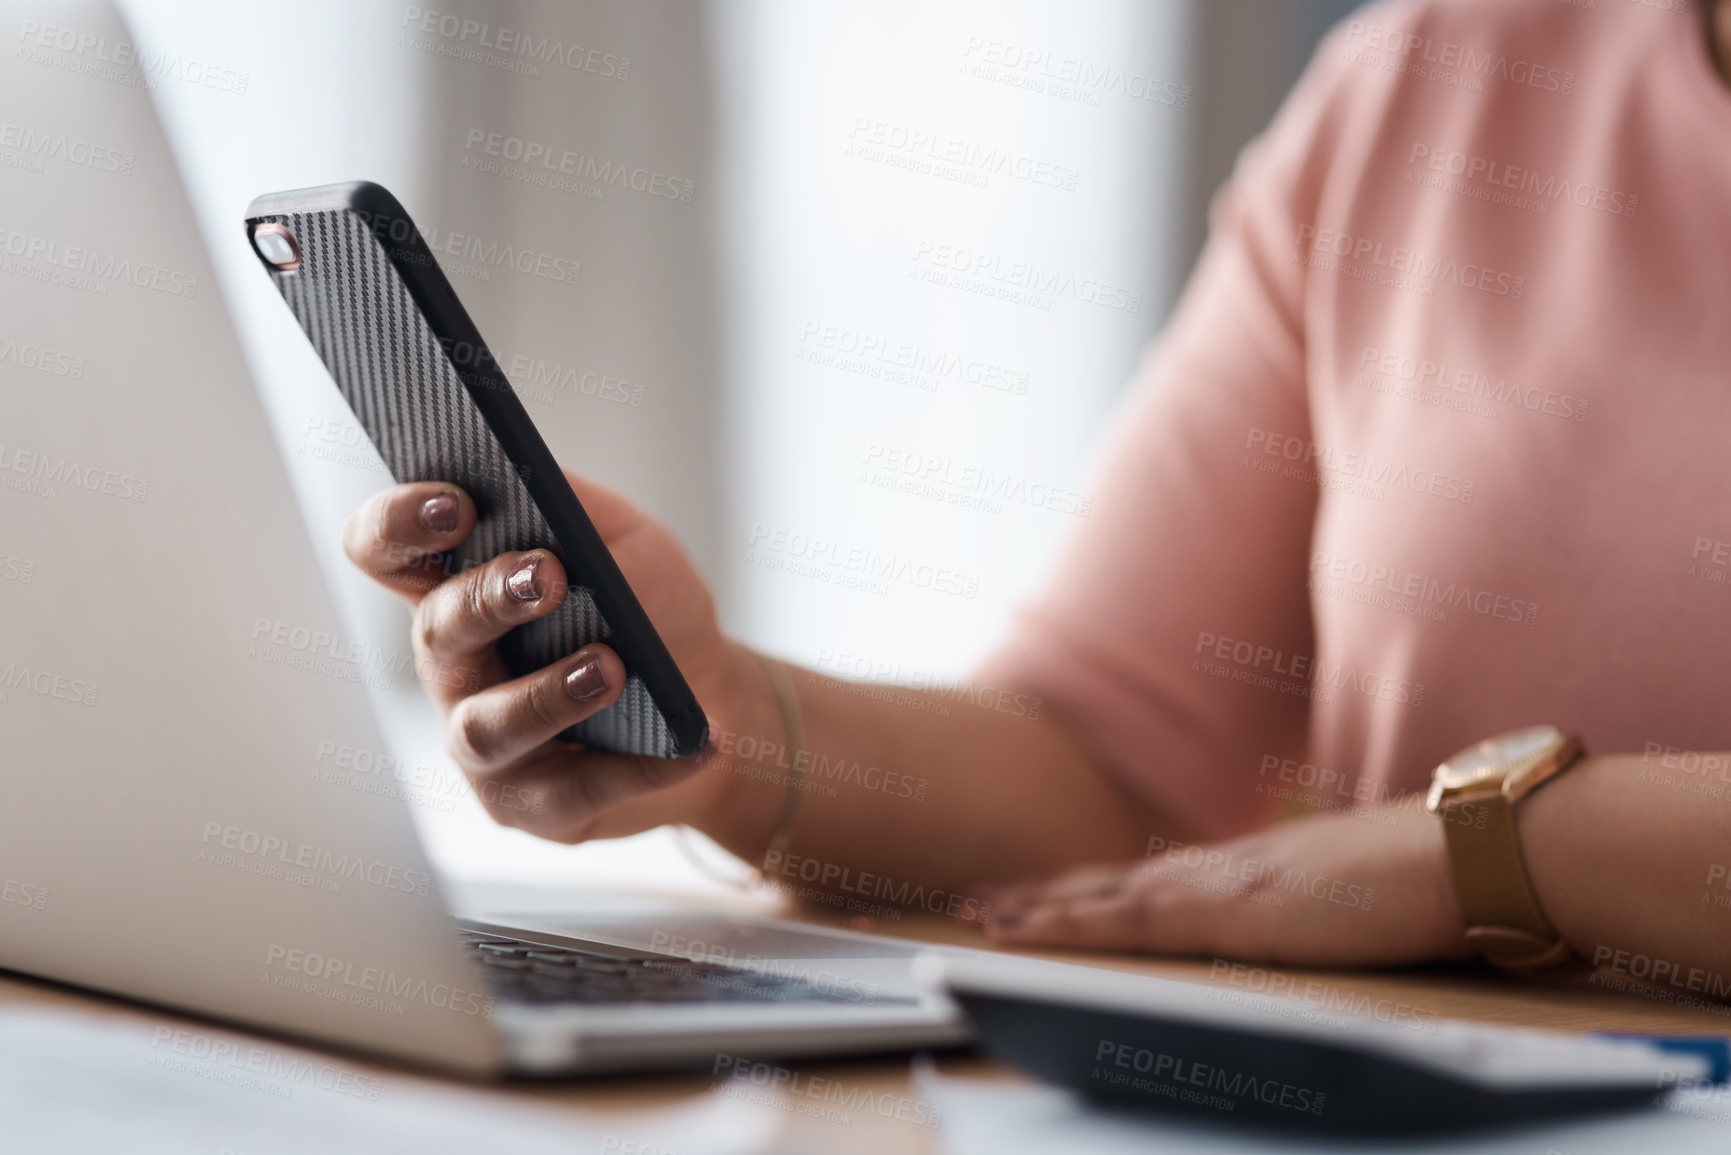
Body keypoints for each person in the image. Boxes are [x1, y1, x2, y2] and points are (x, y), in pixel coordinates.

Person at [341, 0, 1731, 988]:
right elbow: (1105, 786)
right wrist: (725, 723)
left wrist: (1493, 855)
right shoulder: (1433, 86)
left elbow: (1360, 864)